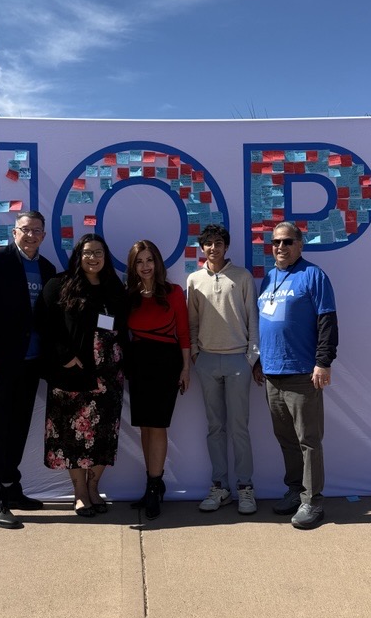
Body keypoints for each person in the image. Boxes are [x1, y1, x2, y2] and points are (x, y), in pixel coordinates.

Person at [0, 210, 56, 530]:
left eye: (37, 231)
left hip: (31, 362)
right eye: (25, 229)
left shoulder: (47, 269)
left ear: (44, 236)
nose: (31, 235)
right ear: (14, 231)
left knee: (18, 429)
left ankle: (12, 488)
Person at [253, 221, 338, 530]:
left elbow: (327, 321)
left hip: (303, 372)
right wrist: (260, 361)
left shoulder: (313, 276)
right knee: (286, 438)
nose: (280, 247)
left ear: (300, 245)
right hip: (272, 373)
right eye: (275, 242)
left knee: (309, 440)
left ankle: (312, 502)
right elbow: (267, 324)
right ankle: (294, 490)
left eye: (287, 242)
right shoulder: (268, 279)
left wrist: (323, 362)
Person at [39, 234, 127, 518]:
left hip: (109, 378)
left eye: (98, 252)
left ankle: (93, 487)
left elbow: (123, 328)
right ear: (78, 255)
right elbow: (44, 325)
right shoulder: (59, 284)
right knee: (71, 439)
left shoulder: (115, 287)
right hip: (72, 375)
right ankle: (79, 494)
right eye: (88, 252)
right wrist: (64, 356)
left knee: (103, 436)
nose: (93, 258)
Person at [187, 224, 259, 515]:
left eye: (218, 243)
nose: (213, 248)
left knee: (240, 428)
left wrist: (251, 358)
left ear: (226, 247)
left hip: (237, 360)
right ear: (201, 248)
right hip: (206, 360)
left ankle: (245, 488)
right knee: (215, 428)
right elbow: (191, 322)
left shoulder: (242, 277)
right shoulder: (193, 280)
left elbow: (253, 318)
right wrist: (194, 354)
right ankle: (220, 487)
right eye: (208, 244)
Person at [126, 239, 190, 519]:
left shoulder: (174, 292)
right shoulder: (129, 295)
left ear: (158, 262)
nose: (145, 266)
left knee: (158, 425)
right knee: (144, 427)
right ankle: (152, 484)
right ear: (133, 266)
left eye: (149, 260)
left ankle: (154, 487)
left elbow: (185, 334)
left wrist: (186, 369)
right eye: (139, 261)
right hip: (138, 364)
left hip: (167, 364)